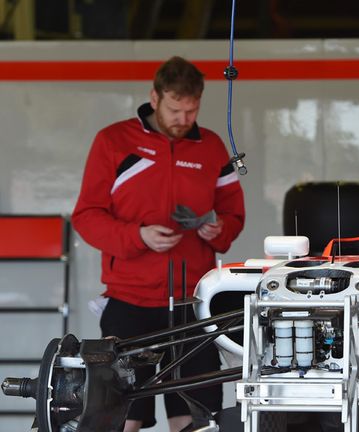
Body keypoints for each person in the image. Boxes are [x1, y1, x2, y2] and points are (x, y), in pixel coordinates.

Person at [72, 56, 245, 432]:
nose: (183, 119)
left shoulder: (212, 147)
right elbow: (86, 216)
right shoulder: (113, 142)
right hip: (130, 303)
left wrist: (219, 230)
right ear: (154, 97)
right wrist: (138, 236)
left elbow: (233, 216)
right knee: (124, 418)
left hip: (193, 303)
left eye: (192, 109)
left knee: (197, 419)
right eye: (175, 109)